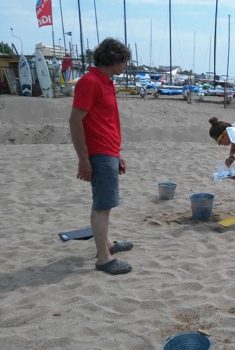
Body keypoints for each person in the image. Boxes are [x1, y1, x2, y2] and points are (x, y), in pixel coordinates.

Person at [69, 38, 133, 275]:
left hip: (109, 151)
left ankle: (106, 245)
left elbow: (108, 121)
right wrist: (84, 159)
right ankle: (103, 259)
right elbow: (75, 120)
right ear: (113, 59)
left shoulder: (106, 83)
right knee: (102, 205)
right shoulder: (90, 82)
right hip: (98, 152)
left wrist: (117, 154)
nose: (125, 65)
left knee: (105, 202)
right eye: (123, 61)